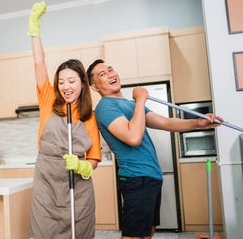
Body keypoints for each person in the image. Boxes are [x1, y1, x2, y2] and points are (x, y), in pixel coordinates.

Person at [86, 59, 223, 239]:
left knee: (147, 233)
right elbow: (133, 137)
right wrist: (141, 101)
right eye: (102, 74)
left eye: (110, 70)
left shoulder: (131, 105)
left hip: (150, 177)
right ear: (95, 87)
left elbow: (166, 123)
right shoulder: (106, 107)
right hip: (136, 177)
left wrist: (198, 123)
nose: (110, 74)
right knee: (134, 235)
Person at [28, 1, 101, 239]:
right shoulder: (48, 100)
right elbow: (39, 63)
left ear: (82, 82)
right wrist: (34, 30)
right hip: (46, 184)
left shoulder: (89, 116)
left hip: (77, 187)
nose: (65, 86)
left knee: (78, 232)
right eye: (61, 82)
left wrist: (82, 166)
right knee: (43, 232)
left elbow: (94, 161)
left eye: (71, 81)